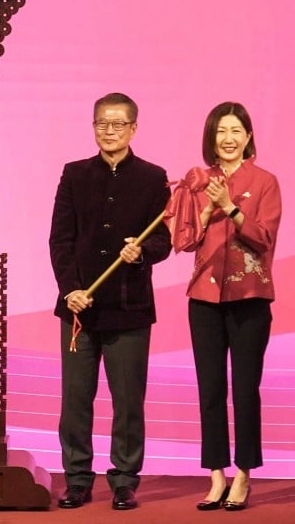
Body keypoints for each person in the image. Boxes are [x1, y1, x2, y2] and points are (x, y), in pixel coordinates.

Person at [49, 92, 171, 510]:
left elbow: (163, 240)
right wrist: (71, 290)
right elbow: (60, 240)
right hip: (80, 308)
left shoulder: (154, 178)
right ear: (94, 125)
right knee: (76, 399)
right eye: (102, 122)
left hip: (129, 307)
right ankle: (78, 479)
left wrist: (144, 252)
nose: (109, 130)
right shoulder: (74, 174)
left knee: (127, 400)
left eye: (118, 124)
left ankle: (124, 479)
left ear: (134, 128)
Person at [173, 102, 281, 512]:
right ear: (211, 139)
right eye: (221, 131)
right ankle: (216, 473)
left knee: (245, 388)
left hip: (250, 297)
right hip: (204, 298)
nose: (229, 138)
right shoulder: (197, 181)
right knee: (210, 388)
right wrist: (203, 207)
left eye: (236, 130)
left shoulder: (265, 181)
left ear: (249, 137)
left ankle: (243, 475)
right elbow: (183, 240)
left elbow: (263, 239)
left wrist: (232, 208)